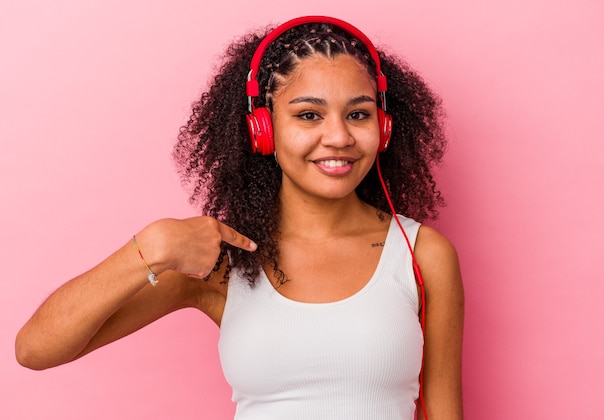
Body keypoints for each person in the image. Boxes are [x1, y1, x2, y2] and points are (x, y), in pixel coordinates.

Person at [15, 15, 464, 420]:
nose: (338, 136)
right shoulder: (222, 260)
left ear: (382, 128)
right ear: (262, 130)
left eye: (358, 114)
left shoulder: (419, 253)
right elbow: (36, 349)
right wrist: (148, 250)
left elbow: (442, 410)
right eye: (309, 115)